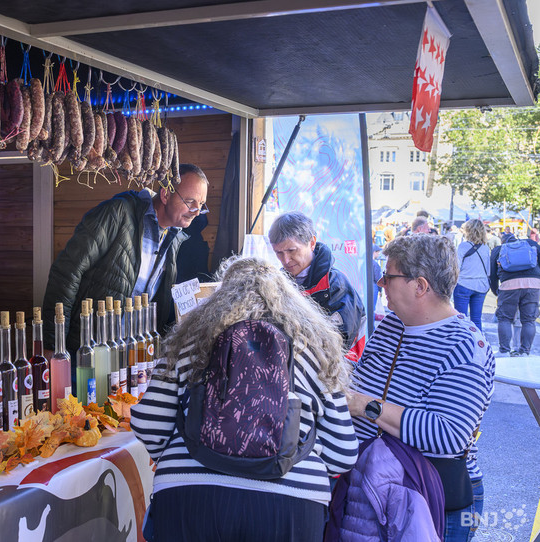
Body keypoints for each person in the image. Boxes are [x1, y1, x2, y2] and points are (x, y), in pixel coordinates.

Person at [131, 255, 357, 541]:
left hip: (188, 495)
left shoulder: (188, 342)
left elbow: (150, 428)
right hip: (291, 508)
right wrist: (294, 448)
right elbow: (342, 454)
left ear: (221, 295)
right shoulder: (315, 350)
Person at [348, 234, 495, 542]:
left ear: (420, 286)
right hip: (378, 483)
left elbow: (448, 434)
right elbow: (361, 380)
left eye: (388, 277)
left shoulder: (467, 347)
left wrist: (363, 405)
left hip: (431, 496)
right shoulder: (392, 324)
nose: (381, 284)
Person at [42, 164, 208, 353]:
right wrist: (53, 344)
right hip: (87, 349)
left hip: (130, 355)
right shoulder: (117, 213)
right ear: (165, 195)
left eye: (201, 205)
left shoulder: (175, 236)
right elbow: (66, 273)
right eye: (190, 201)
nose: (196, 211)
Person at [268, 211, 365, 350]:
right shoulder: (276, 284)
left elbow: (337, 344)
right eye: (279, 253)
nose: (286, 260)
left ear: (312, 242)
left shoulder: (337, 286)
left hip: (341, 368)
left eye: (292, 250)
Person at [489, 231, 540, 356]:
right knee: (529, 320)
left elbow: (492, 274)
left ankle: (504, 350)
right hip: (533, 284)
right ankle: (525, 352)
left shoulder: (498, 249)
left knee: (505, 318)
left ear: (503, 241)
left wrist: (496, 290)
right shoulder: (531, 244)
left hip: (509, 286)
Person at [454, 219, 491, 331]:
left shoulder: (463, 246)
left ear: (468, 230)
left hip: (463, 284)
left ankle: (462, 344)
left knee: (461, 319)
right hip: (481, 285)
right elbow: (488, 270)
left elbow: (456, 267)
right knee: (476, 319)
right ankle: (478, 345)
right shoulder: (485, 247)